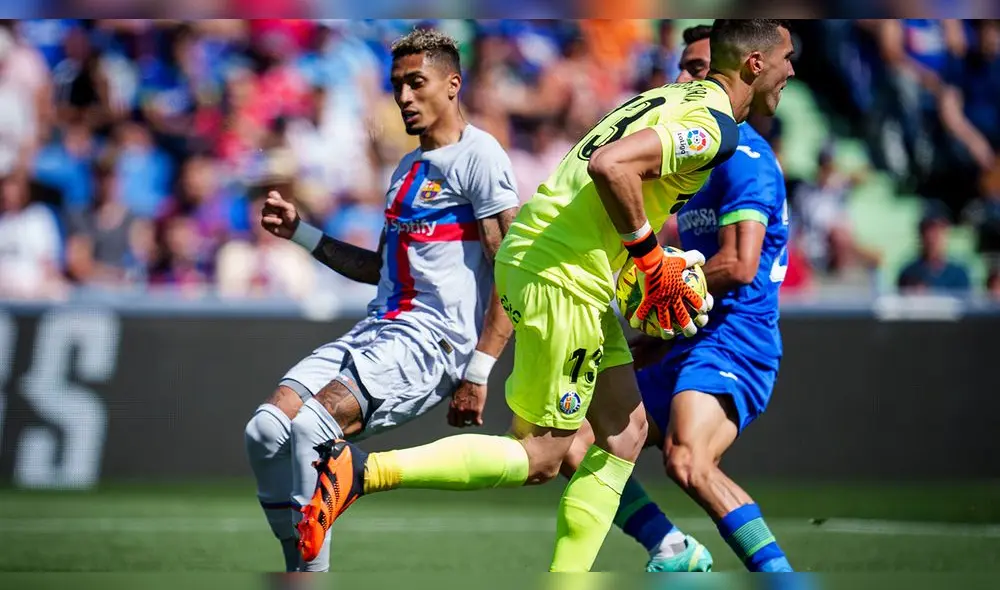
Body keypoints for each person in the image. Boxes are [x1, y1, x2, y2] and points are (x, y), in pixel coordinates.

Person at [298, 19, 795, 573]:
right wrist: (653, 263)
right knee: (541, 456)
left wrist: (634, 273)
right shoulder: (715, 125)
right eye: (787, 57)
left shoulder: (668, 97)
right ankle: (361, 472)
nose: (792, 70)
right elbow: (611, 167)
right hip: (564, 276)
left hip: (555, 259)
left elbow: (596, 183)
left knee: (625, 433)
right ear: (755, 64)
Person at [242, 28, 520, 572]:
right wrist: (301, 232)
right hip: (378, 331)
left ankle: (303, 578)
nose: (404, 98)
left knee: (311, 428)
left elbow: (511, 270)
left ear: (451, 85)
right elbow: (379, 269)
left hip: (432, 344)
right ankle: (297, 569)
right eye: (397, 86)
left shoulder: (480, 157)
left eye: (417, 84)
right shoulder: (406, 171)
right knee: (266, 430)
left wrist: (480, 370)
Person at [565, 23, 795, 572]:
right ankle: (670, 549)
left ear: (741, 69)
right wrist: (654, 324)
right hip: (689, 334)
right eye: (689, 69)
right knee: (572, 444)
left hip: (737, 339)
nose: (692, 81)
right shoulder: (692, 153)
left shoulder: (743, 159)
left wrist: (659, 291)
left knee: (688, 461)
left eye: (702, 70)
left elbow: (739, 265)